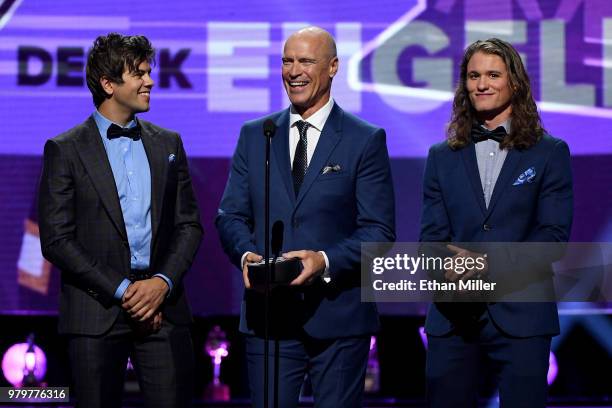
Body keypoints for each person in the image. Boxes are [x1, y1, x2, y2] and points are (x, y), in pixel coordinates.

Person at [216, 26, 395, 407]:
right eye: (287, 60)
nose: (293, 71)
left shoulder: (364, 139)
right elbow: (230, 215)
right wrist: (247, 256)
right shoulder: (255, 135)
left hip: (339, 318)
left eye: (306, 61)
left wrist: (324, 261)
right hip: (269, 318)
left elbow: (379, 231)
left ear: (332, 67)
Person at [38, 33, 202, 408]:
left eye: (149, 72)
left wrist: (161, 283)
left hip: (164, 311)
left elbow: (189, 225)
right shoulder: (65, 149)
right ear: (108, 84)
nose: (151, 81)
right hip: (96, 315)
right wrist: (125, 290)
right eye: (140, 74)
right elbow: (57, 239)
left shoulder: (169, 144)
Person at [419, 38, 573, 407]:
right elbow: (430, 240)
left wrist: (484, 263)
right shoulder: (441, 157)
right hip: (453, 316)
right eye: (473, 75)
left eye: (492, 74)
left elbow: (553, 237)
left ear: (515, 83)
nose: (481, 84)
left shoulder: (549, 153)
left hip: (523, 316)